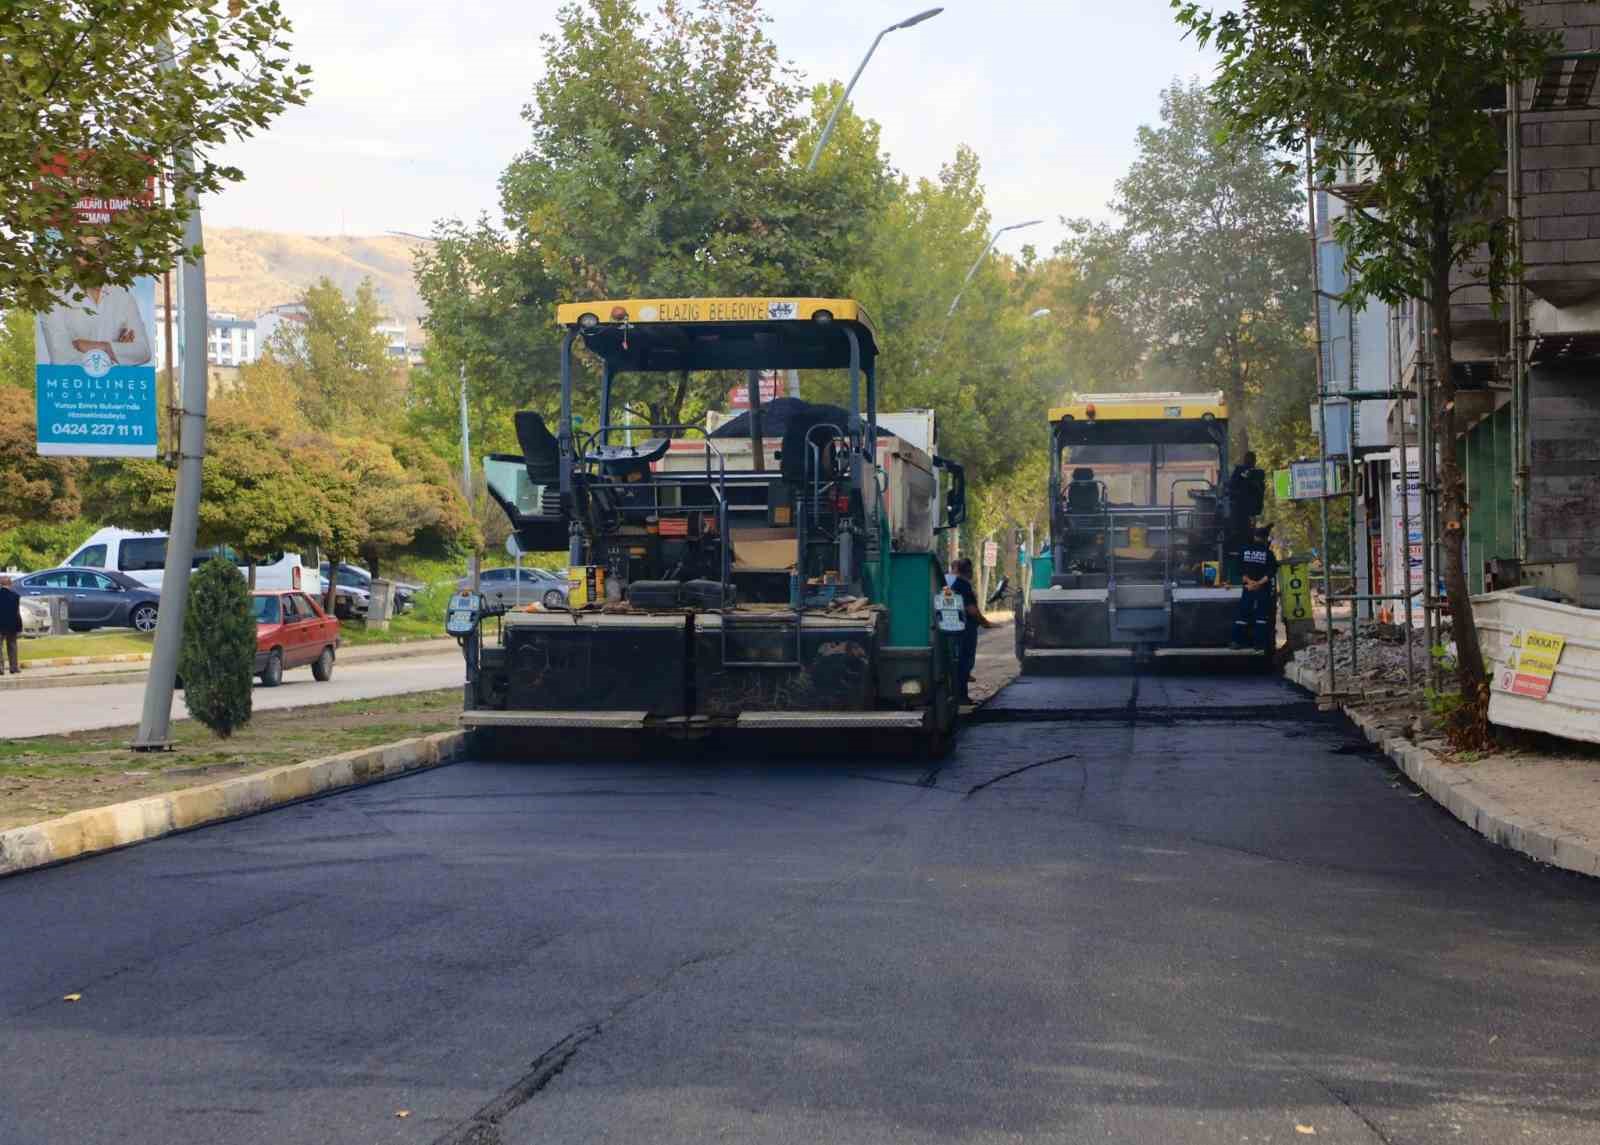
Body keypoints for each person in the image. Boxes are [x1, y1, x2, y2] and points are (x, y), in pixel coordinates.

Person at [35, 283, 152, 369]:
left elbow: (143, 352)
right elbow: (61, 359)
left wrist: (105, 347)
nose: (91, 259)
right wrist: (119, 354)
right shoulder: (53, 295)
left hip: (115, 390)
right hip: (69, 390)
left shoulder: (123, 297)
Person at [951, 557, 995, 703]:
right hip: (966, 629)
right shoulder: (963, 586)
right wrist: (984, 622)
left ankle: (960, 695)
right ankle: (962, 697)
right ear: (969, 571)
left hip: (960, 628)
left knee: (961, 662)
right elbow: (971, 610)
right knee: (965, 662)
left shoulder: (956, 584)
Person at [1232, 525, 1279, 651]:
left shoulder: (1244, 550)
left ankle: (1237, 642)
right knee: (1261, 617)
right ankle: (1259, 645)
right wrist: (1258, 583)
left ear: (1254, 537)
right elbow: (1271, 572)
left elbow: (1239, 570)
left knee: (1243, 616)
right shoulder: (1268, 553)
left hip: (1248, 588)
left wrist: (1250, 583)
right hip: (1262, 589)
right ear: (1265, 538)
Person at [0, 575, 22, 675]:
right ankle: (14, 667)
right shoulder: (15, 596)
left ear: (1, 584)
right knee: (12, 646)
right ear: (10, 584)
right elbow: (17, 613)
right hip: (12, 625)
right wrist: (19, 626)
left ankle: (0, 668)